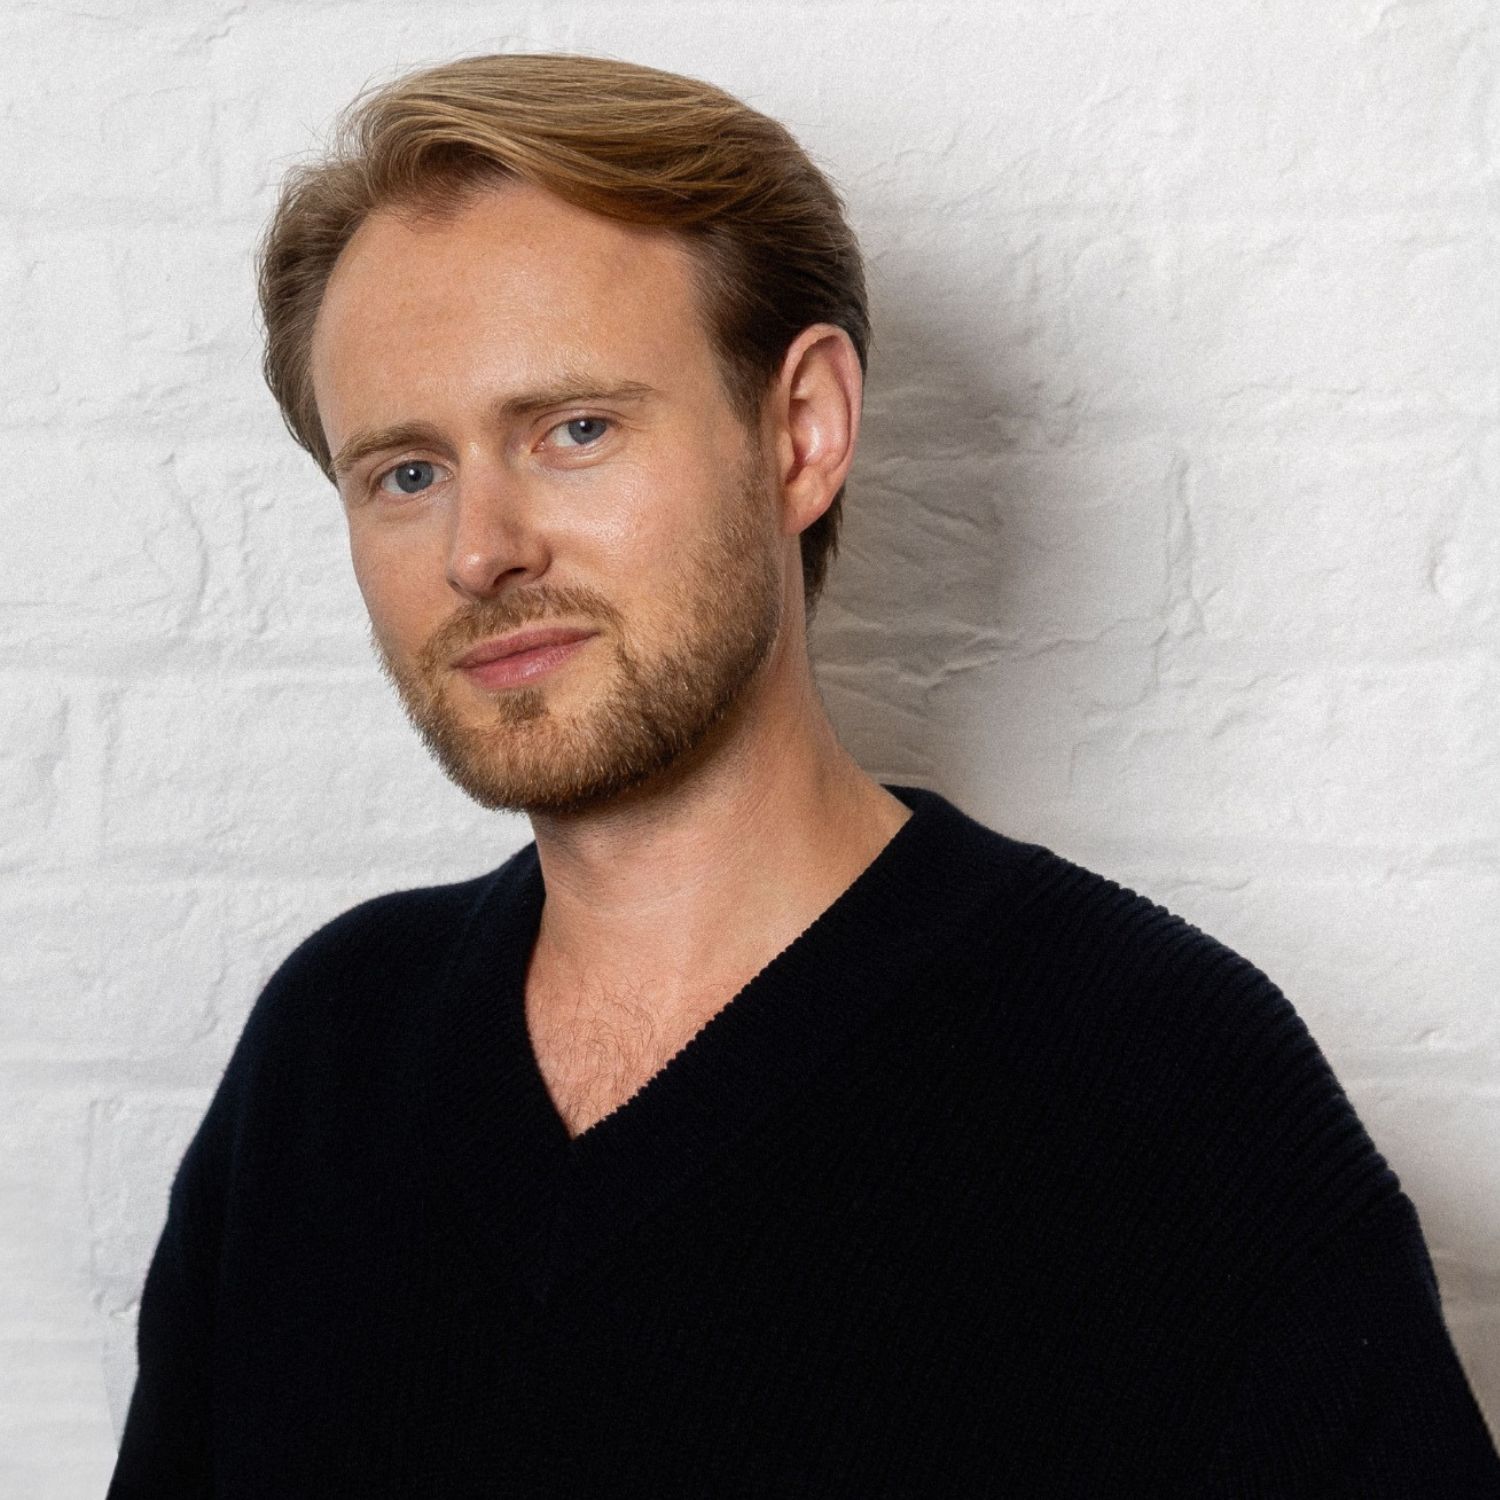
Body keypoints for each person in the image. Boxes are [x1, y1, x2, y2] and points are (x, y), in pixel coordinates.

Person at [107, 52, 1500, 1497]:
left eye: (573, 430)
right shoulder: (334, 1055)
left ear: (801, 433)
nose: (480, 547)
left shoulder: (1159, 1087)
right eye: (404, 471)